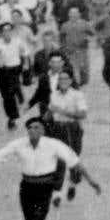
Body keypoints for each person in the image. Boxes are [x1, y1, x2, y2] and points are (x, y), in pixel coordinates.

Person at [44, 68, 88, 203]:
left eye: (65, 79)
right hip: (58, 129)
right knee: (59, 161)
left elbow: (83, 114)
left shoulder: (77, 95)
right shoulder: (54, 95)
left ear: (70, 81)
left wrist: (64, 112)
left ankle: (72, 185)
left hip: (72, 128)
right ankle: (57, 193)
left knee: (73, 159)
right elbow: (49, 113)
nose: (63, 81)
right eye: (60, 79)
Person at [0, 22, 29, 130]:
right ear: (0, 33)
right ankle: (11, 117)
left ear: (12, 32)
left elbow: (25, 52)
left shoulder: (17, 42)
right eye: (4, 31)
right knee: (6, 96)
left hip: (15, 69)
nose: (7, 33)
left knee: (11, 91)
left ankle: (13, 116)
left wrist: (26, 63)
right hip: (2, 71)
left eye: (9, 30)